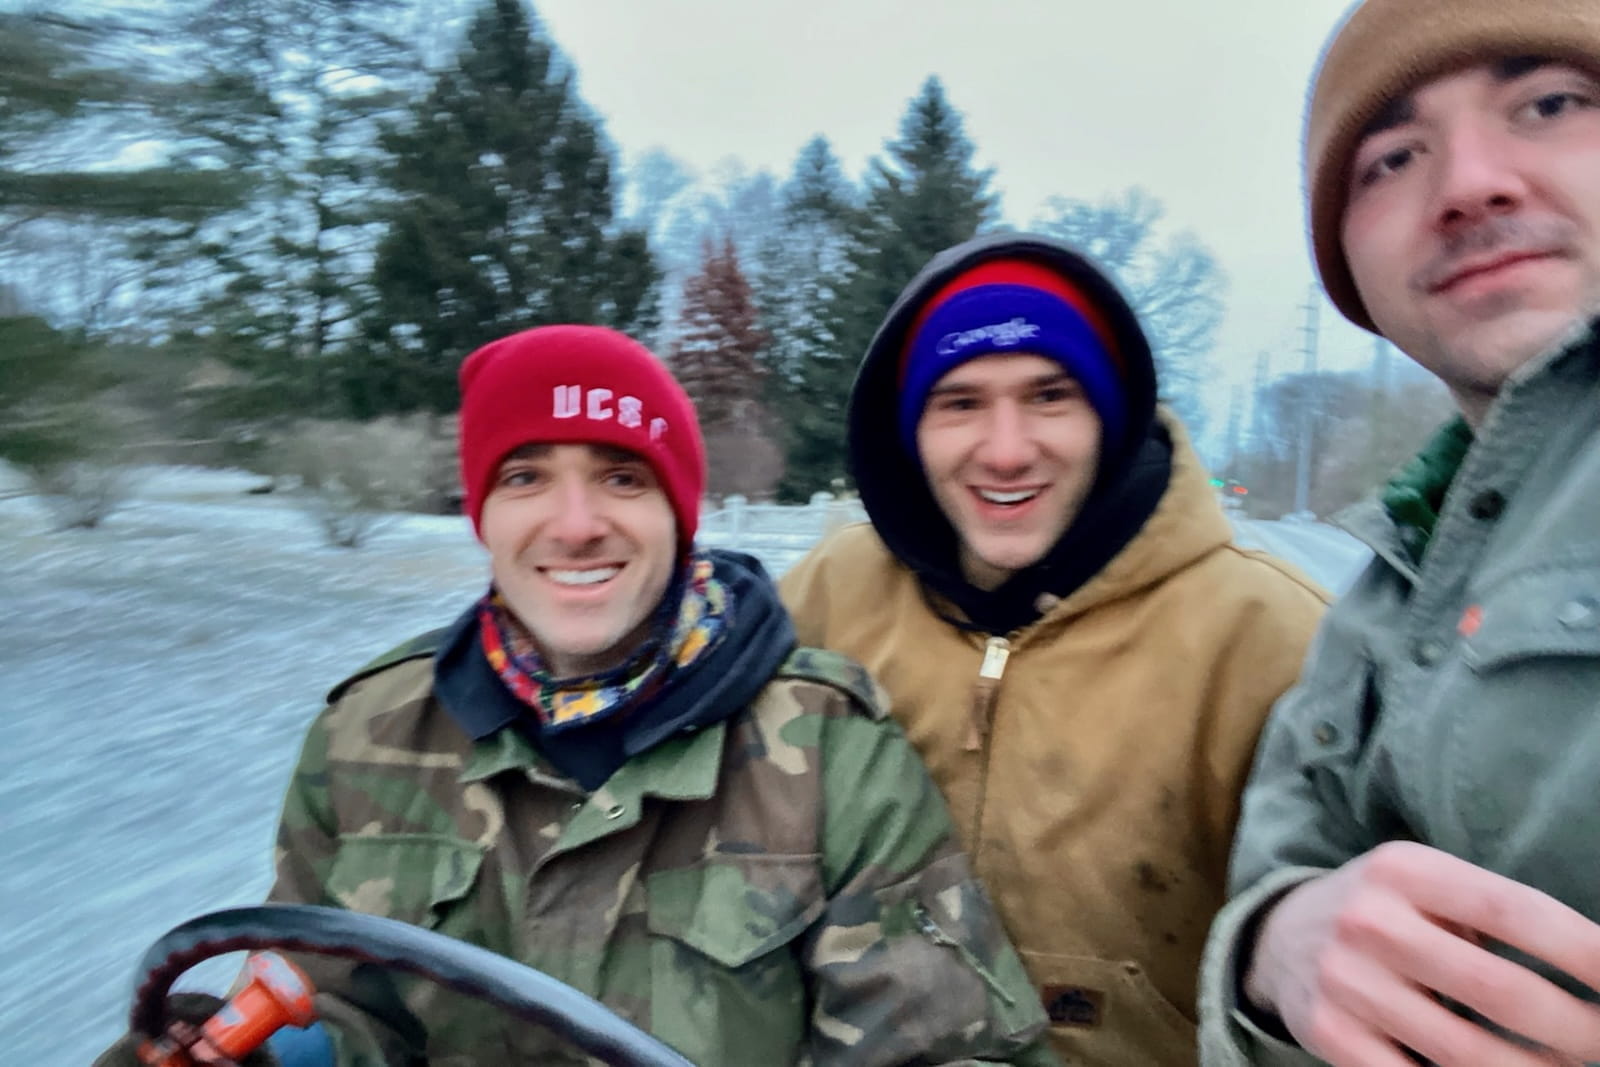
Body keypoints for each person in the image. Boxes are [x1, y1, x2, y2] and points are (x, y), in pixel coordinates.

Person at [95, 325, 1056, 1066]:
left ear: (678, 514)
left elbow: (945, 1042)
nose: (576, 522)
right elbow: (329, 996)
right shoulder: (366, 732)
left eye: (620, 476)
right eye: (526, 476)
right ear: (483, 511)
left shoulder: (830, 749)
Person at [779, 234, 1329, 1065]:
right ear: (908, 430)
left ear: (1110, 417)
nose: (1005, 448)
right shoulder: (824, 597)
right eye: (959, 402)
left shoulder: (1273, 636)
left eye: (1049, 396)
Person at [1197, 1, 1600, 1064]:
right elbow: (1292, 857)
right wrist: (1274, 944)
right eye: (1390, 159)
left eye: (1549, 103)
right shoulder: (1387, 581)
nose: (1468, 183)